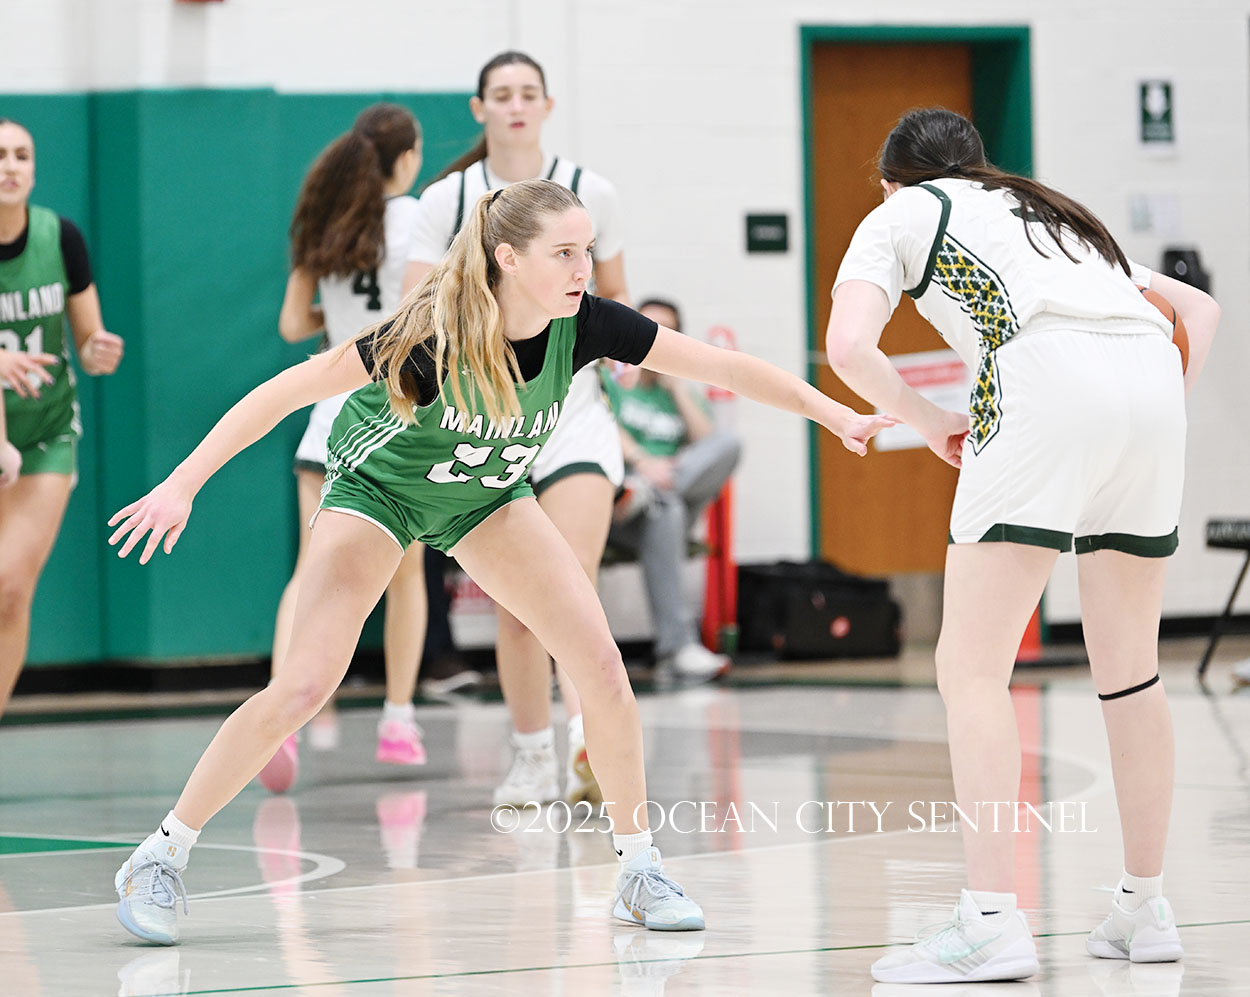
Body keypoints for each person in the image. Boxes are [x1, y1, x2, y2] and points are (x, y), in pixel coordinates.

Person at [108, 178, 893, 945]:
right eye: (564, 253)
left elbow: (721, 368)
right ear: (509, 258)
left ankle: (639, 869)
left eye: (587, 250)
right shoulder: (430, 334)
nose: (583, 268)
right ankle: (160, 854)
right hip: (378, 492)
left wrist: (834, 413)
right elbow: (288, 388)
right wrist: (182, 483)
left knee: (601, 667)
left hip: (485, 496)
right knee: (304, 687)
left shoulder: (586, 324)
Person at [824, 108, 1219, 984]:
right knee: (1132, 672)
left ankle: (992, 919)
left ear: (891, 183)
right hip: (1152, 389)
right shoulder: (1051, 212)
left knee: (971, 670)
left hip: (1044, 383)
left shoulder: (901, 213)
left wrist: (928, 419)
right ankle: (1145, 904)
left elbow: (847, 346)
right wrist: (1148, 408)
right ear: (981, 165)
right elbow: (1200, 309)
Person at [402, 51, 641, 810]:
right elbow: (413, 308)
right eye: (501, 94)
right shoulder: (447, 199)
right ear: (479, 109)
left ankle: (586, 741)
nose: (515, 105)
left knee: (570, 584)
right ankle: (533, 754)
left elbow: (616, 294)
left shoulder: (592, 188)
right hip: (480, 415)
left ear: (547, 105)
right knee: (516, 603)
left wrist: (627, 355)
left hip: (569, 413)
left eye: (527, 93)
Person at [258, 103, 427, 793]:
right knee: (406, 575)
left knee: (308, 572)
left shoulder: (327, 223)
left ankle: (276, 719)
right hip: (399, 411)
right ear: (406, 158)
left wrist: (340, 314)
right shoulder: (420, 218)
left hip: (330, 411)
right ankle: (398, 719)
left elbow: (291, 322)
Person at [0, 118, 124, 718]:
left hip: (45, 433)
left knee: (10, 588)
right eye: (0, 154)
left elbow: (88, 340)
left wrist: (98, 350)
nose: (10, 166)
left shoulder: (61, 236)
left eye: (22, 155)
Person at [603, 298, 741, 679]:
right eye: (647, 326)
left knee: (726, 446)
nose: (653, 336)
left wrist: (676, 386)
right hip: (616, 507)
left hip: (657, 498)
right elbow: (602, 424)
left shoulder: (676, 393)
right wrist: (642, 462)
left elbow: (708, 445)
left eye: (665, 330)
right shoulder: (617, 380)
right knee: (669, 510)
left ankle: (650, 490)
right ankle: (677, 650)